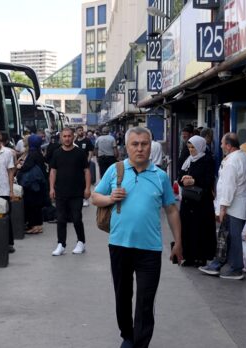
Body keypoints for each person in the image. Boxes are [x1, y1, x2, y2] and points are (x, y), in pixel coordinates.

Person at [92, 127, 182, 348]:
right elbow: (95, 197)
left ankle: (140, 343)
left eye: (144, 144)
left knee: (145, 300)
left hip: (150, 249)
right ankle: (127, 336)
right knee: (123, 295)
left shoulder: (160, 176)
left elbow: (171, 209)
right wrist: (111, 198)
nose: (140, 148)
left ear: (151, 146)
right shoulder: (115, 170)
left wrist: (178, 242)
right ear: (127, 147)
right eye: (135, 144)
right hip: (119, 245)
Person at [199, 133, 246, 279]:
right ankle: (219, 264)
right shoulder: (244, 157)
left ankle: (236, 269)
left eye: (222, 143)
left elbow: (228, 187)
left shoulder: (232, 162)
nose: (220, 146)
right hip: (241, 204)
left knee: (233, 237)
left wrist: (222, 208)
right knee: (228, 237)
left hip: (233, 206)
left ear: (229, 146)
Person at [49, 128, 90, 256]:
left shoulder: (80, 153)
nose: (67, 138)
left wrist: (87, 188)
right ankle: (61, 244)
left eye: (69, 136)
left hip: (77, 192)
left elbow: (87, 171)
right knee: (60, 219)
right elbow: (53, 171)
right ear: (61, 137)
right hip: (60, 191)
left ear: (73, 137)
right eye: (64, 136)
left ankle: (81, 242)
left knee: (77, 218)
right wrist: (51, 188)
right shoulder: (56, 153)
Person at [177, 136, 216, 266]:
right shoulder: (188, 160)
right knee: (187, 228)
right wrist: (184, 179)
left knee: (200, 229)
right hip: (188, 201)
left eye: (193, 147)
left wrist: (194, 181)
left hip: (201, 203)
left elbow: (209, 180)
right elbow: (179, 176)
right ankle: (188, 256)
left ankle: (201, 256)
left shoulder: (207, 160)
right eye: (189, 147)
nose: (191, 150)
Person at [17, 134, 47, 234]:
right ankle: (38, 226)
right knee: (37, 206)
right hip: (38, 183)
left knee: (32, 205)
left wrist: (19, 167)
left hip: (33, 185)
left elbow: (27, 167)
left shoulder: (33, 153)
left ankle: (34, 226)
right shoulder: (38, 152)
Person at [74, 126, 95, 207]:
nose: (81, 132)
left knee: (85, 181)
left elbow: (90, 152)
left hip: (85, 164)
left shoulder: (87, 140)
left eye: (82, 130)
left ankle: (85, 199)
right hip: (76, 165)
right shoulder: (74, 141)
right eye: (79, 130)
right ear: (76, 131)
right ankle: (79, 198)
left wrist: (87, 161)